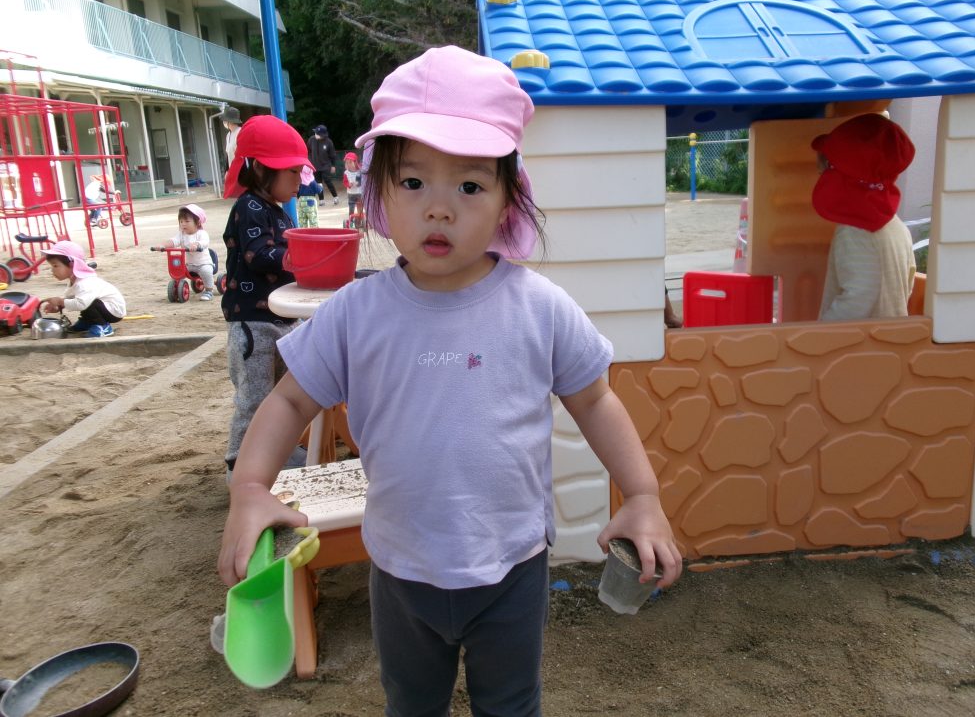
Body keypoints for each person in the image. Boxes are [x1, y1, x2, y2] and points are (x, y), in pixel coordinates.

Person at [217, 46, 683, 715]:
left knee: (511, 703)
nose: (439, 208)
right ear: (380, 192)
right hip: (401, 570)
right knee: (411, 704)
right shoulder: (357, 313)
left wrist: (641, 494)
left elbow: (595, 398)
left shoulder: (539, 308)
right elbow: (290, 398)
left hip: (513, 567)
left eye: (469, 186)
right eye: (412, 182)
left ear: (507, 201)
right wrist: (249, 489)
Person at [220, 114, 312, 483]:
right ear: (260, 169)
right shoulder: (249, 207)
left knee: (281, 394)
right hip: (253, 322)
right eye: (292, 172)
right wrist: (297, 258)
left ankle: (281, 451)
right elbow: (257, 254)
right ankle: (238, 463)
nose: (298, 181)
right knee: (255, 397)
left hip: (279, 319)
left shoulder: (275, 210)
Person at [812, 113, 917, 321]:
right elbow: (909, 281)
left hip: (859, 340)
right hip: (892, 335)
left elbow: (858, 299)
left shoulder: (854, 233)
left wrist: (820, 332)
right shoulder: (897, 227)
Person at [40, 240, 125, 338]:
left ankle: (103, 326)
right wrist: (59, 306)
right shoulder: (75, 280)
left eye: (55, 266)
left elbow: (81, 304)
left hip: (114, 311)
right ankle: (88, 322)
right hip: (104, 307)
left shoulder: (85, 283)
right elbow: (71, 298)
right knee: (84, 299)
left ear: (72, 265)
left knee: (88, 302)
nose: (52, 270)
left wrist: (60, 301)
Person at [161, 203, 214, 301]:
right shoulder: (181, 234)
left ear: (198, 222)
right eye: (181, 221)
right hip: (189, 265)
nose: (183, 224)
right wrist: (163, 245)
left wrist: (197, 244)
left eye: (187, 221)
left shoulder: (202, 233)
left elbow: (204, 242)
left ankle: (209, 291)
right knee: (179, 271)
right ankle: (176, 287)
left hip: (203, 263)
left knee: (205, 271)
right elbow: (174, 241)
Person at [307, 124, 339, 206]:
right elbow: (308, 151)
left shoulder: (328, 142)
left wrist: (333, 165)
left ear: (323, 135)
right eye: (315, 133)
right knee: (318, 183)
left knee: (327, 180)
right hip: (315, 165)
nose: (315, 134)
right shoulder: (311, 140)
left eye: (317, 133)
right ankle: (321, 200)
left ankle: (335, 197)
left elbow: (332, 154)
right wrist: (309, 161)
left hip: (326, 165)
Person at [342, 151, 363, 228]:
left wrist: (358, 183)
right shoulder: (346, 173)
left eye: (350, 163)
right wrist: (348, 184)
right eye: (347, 163)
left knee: (360, 207)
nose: (348, 165)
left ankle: (359, 221)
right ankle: (351, 222)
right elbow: (345, 182)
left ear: (355, 162)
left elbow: (361, 180)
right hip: (351, 193)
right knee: (351, 208)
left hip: (359, 192)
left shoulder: (359, 172)